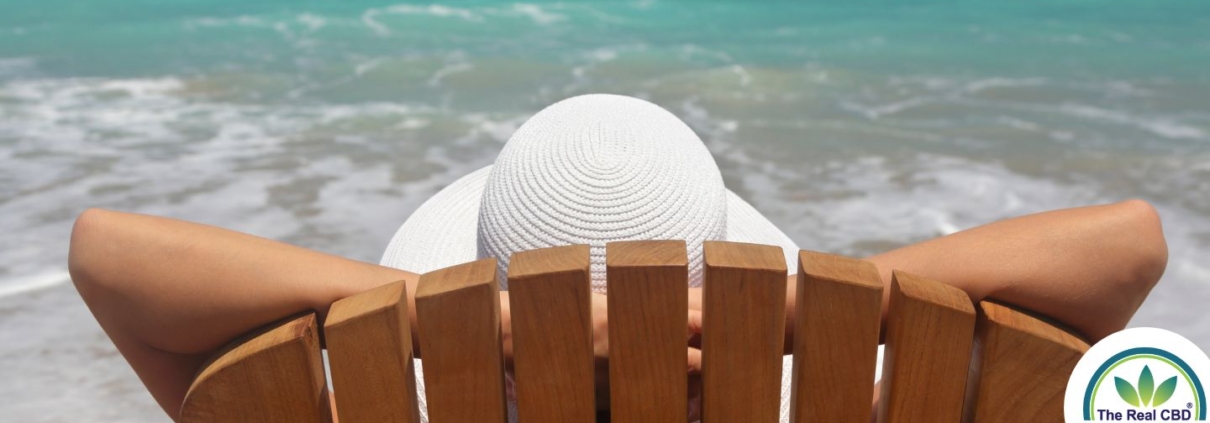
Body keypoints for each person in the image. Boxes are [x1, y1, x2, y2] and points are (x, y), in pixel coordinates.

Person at [69, 95, 1168, 422]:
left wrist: (454, 316)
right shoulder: (844, 400)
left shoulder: (364, 411)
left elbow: (107, 256)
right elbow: (1127, 246)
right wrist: (779, 311)